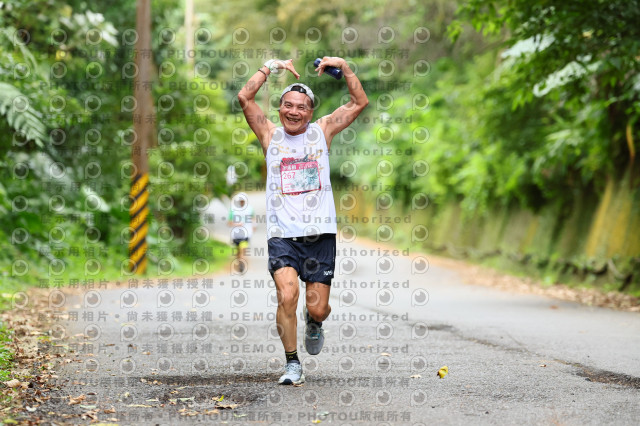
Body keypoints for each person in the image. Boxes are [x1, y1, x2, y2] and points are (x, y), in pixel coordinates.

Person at [237, 57, 368, 385]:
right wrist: (270, 66)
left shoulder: (322, 131)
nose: (294, 112)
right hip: (282, 234)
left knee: (318, 307)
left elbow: (359, 102)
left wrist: (344, 67)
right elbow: (245, 97)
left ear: (310, 113)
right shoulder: (269, 135)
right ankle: (292, 364)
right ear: (280, 109)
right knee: (287, 295)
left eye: (301, 107)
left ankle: (315, 321)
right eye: (288, 105)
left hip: (319, 235)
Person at [227, 192, 255, 273]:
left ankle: (242, 265)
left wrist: (253, 226)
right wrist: (236, 224)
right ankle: (239, 262)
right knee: (238, 251)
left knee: (243, 249)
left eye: (243, 200)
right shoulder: (233, 210)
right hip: (236, 235)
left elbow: (253, 219)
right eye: (241, 201)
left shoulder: (250, 209)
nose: (242, 202)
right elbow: (229, 222)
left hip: (246, 234)